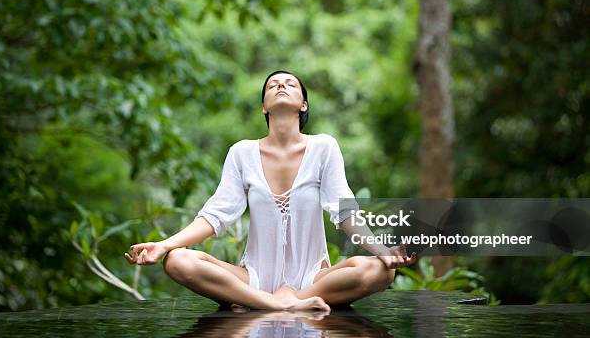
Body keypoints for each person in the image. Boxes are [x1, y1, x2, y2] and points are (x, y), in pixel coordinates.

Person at [125, 70, 417, 311]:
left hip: (313, 279)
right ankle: (276, 303)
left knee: (381, 270)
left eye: (291, 83)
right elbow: (215, 216)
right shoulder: (241, 153)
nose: (281, 85)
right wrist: (165, 245)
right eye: (272, 84)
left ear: (303, 104)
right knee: (177, 260)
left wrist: (383, 251)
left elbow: (345, 214)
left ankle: (287, 300)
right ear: (264, 106)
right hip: (253, 279)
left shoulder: (324, 148)